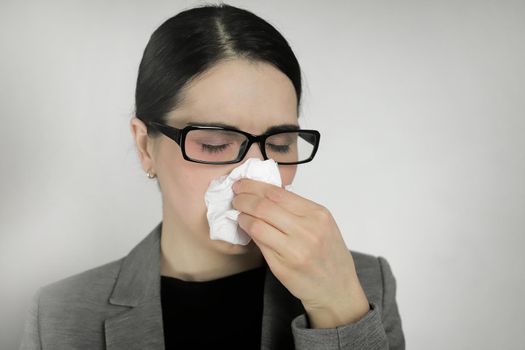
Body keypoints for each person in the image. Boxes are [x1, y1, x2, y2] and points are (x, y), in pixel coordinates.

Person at [19, 3, 405, 349]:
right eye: (216, 144)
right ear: (144, 146)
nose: (255, 176)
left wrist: (338, 311)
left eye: (281, 144)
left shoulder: (366, 287)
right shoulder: (57, 316)